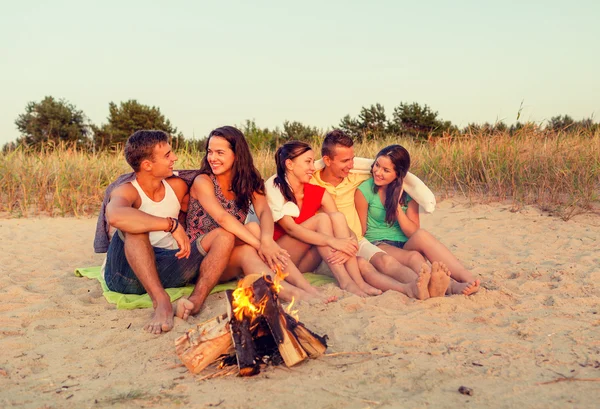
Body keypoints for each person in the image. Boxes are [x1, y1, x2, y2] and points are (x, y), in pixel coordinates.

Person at [104, 130, 235, 335]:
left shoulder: (177, 187)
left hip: (168, 269)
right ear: (147, 165)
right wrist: (170, 225)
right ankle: (161, 301)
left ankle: (195, 301)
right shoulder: (127, 191)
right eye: (167, 155)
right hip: (125, 274)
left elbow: (196, 213)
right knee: (135, 228)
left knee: (225, 236)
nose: (174, 158)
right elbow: (115, 216)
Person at [266, 141, 430, 299]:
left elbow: (340, 222)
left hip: (307, 261)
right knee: (322, 219)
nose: (312, 167)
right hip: (281, 257)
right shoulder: (276, 188)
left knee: (355, 251)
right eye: (308, 162)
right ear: (289, 164)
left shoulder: (318, 192)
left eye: (312, 162)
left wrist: (350, 243)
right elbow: (291, 229)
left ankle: (403, 287)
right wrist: (334, 242)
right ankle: (346, 282)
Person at [185, 126, 326, 303]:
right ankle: (292, 293)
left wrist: (267, 240)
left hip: (231, 254)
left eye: (220, 152)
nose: (212, 158)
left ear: (236, 154)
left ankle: (304, 287)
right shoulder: (203, 181)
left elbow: (264, 211)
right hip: (203, 259)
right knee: (250, 240)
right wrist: (261, 245)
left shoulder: (248, 181)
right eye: (210, 152)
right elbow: (223, 218)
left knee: (252, 231)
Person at [310, 129, 452, 298]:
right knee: (369, 264)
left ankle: (427, 285)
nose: (351, 165)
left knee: (387, 261)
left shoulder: (356, 177)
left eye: (352, 159)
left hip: (357, 240)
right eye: (345, 161)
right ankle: (416, 287)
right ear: (327, 160)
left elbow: (390, 171)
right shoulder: (311, 182)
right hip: (331, 243)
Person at [355, 144, 480, 295]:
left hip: (405, 243)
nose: (378, 172)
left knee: (422, 235)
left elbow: (412, 232)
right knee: (414, 257)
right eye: (377, 165)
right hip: (380, 244)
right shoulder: (364, 190)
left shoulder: (409, 193)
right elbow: (361, 230)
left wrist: (396, 207)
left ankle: (467, 278)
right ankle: (450, 287)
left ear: (398, 174)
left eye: (386, 170)